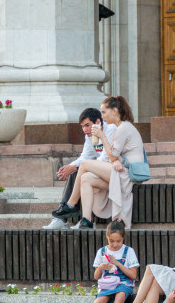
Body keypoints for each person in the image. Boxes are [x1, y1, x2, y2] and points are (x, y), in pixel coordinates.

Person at [51, 96, 145, 229]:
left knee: (85, 166)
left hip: (127, 173)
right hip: (117, 171)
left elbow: (111, 156)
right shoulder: (112, 129)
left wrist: (101, 137)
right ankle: (87, 220)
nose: (102, 116)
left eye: (104, 112)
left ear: (114, 111)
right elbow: (103, 156)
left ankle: (70, 205)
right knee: (85, 178)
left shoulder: (121, 128)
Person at [43, 108, 116, 230]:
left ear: (98, 121)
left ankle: (70, 207)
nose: (85, 129)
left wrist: (80, 167)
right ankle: (74, 219)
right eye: (82, 126)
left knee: (82, 169)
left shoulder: (111, 130)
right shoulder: (89, 136)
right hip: (100, 171)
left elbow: (104, 159)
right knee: (76, 173)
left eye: (87, 125)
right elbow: (85, 156)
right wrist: (71, 167)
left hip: (113, 169)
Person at [75, 221, 139, 303]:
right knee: (101, 298)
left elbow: (133, 275)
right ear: (107, 238)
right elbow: (96, 276)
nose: (115, 244)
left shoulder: (128, 251)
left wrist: (117, 264)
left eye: (118, 241)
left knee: (120, 295)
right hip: (108, 284)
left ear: (123, 238)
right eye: (111, 241)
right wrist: (100, 268)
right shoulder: (102, 252)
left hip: (125, 283)